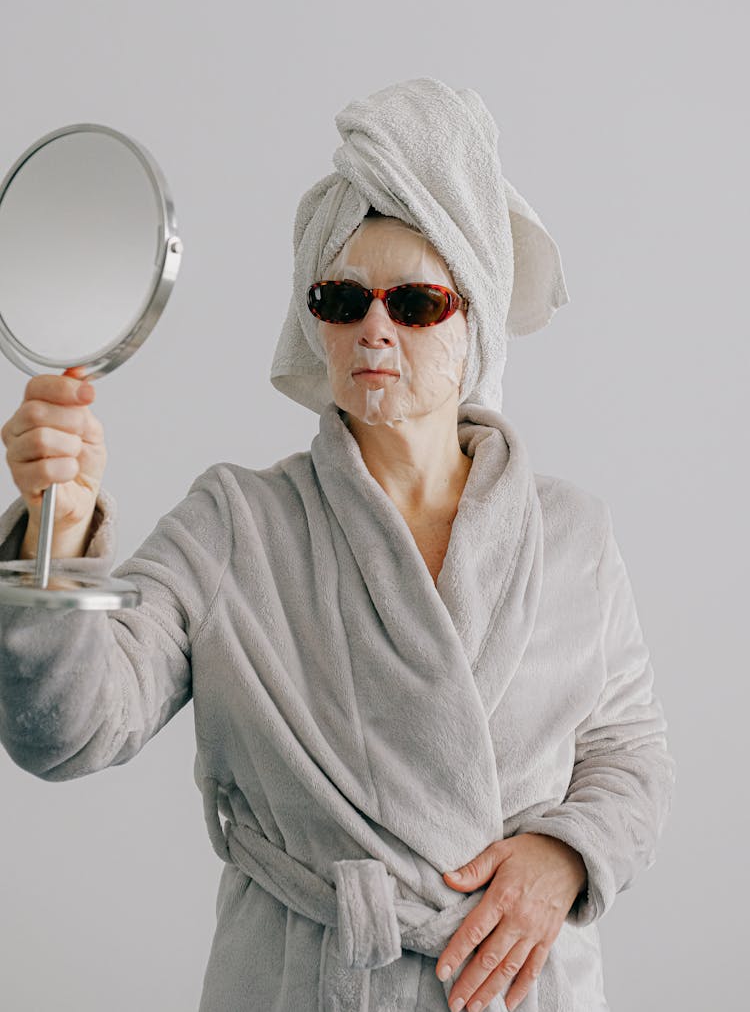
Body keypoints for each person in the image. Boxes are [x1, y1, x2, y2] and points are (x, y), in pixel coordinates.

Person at [0, 79, 675, 1012]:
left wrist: (566, 855)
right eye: (343, 296)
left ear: (473, 313)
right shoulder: (236, 524)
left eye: (416, 303)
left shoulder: (572, 535)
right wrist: (57, 534)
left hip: (522, 990)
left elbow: (631, 752)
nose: (374, 330)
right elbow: (69, 730)